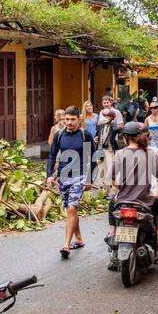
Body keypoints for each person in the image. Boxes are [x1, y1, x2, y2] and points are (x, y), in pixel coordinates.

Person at [109, 121, 158, 272]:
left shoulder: (120, 154)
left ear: (125, 137)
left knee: (111, 203)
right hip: (145, 201)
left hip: (123, 201)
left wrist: (118, 188)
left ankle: (111, 232)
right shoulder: (152, 153)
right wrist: (157, 192)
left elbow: (112, 179)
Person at [46, 106, 95, 260]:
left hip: (79, 177)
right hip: (63, 178)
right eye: (67, 119)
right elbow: (52, 156)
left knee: (72, 208)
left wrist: (89, 179)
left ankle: (66, 245)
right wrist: (49, 176)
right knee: (70, 210)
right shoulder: (59, 135)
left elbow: (92, 158)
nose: (69, 122)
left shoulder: (84, 135)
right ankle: (79, 239)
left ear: (78, 119)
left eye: (72, 119)